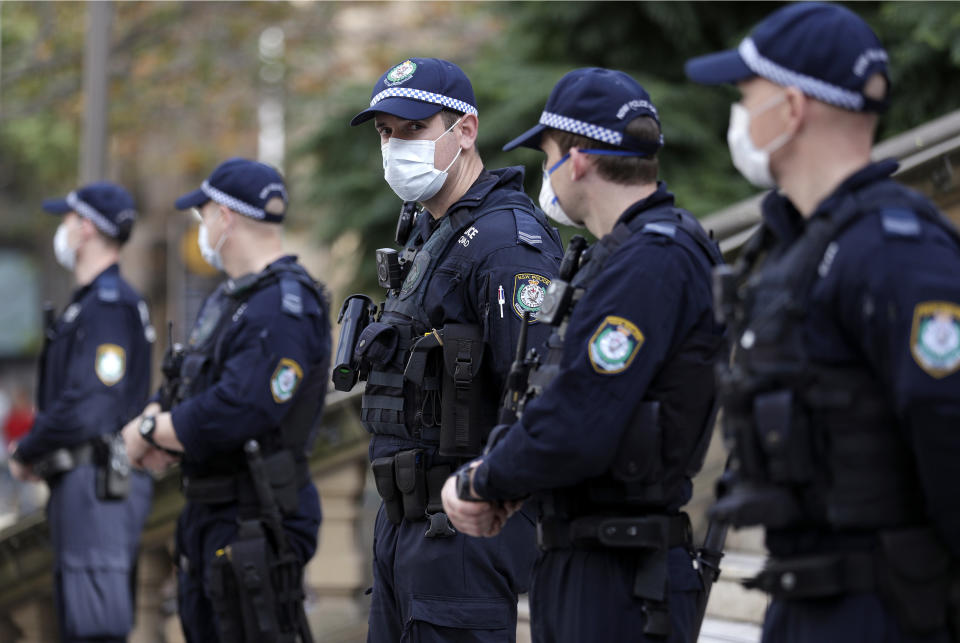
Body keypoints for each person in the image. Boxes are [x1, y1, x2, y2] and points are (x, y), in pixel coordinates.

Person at [685, 3, 960, 641]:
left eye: (745, 94)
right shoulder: (795, 246)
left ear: (792, 106)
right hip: (807, 599)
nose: (740, 114)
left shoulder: (894, 249)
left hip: (883, 608)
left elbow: (948, 425)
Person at [441, 68, 726, 642]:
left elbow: (580, 414)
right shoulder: (621, 256)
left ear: (577, 160)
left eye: (546, 155)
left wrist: (483, 481)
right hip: (592, 555)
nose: (545, 173)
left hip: (620, 574)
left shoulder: (651, 260)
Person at [346, 57, 563, 641]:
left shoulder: (509, 246)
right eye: (385, 133)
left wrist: (488, 496)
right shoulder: (428, 231)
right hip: (405, 529)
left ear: (464, 131)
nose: (395, 147)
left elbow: (540, 395)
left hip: (465, 534)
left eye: (414, 129)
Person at [121, 158, 331, 643]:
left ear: (225, 217)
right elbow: (186, 379)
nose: (201, 228)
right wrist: (157, 420)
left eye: (203, 216)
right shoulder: (229, 301)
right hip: (211, 515)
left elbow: (243, 409)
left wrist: (151, 431)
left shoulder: (283, 306)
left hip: (256, 519)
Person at [8, 182, 154, 642]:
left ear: (86, 227)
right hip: (86, 485)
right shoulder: (94, 303)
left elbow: (92, 405)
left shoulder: (107, 305)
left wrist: (27, 448)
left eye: (67, 220)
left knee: (95, 629)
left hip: (98, 486)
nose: (63, 230)